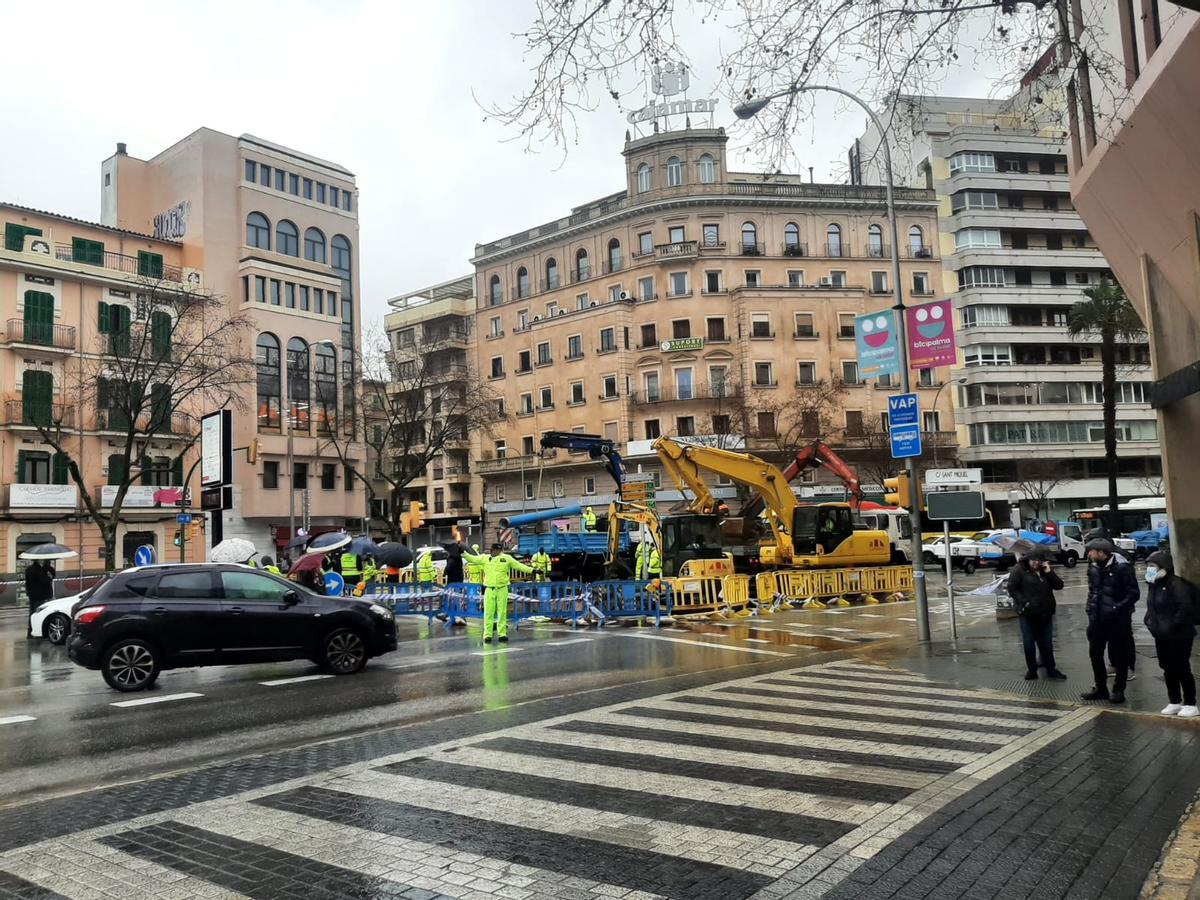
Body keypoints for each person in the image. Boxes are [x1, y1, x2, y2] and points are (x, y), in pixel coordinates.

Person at [1082, 538, 1140, 703]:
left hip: (1117, 620)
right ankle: (1100, 688)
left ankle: (1118, 690)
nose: (1089, 554)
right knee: (1095, 654)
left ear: (1101, 553)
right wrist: (1090, 609)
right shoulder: (1093, 568)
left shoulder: (1123, 568)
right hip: (1096, 618)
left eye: (1091, 551)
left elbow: (1133, 594)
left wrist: (1116, 608)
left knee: (1120, 656)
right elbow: (1092, 591)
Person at [1143, 550, 1199, 717]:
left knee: (1182, 667)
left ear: (1163, 566)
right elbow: (1152, 607)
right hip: (1161, 634)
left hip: (1180, 634)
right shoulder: (1153, 584)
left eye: (1152, 566)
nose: (1149, 569)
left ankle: (1190, 703)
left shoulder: (1177, 584)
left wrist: (1173, 625)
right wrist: (1150, 622)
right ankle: (1174, 701)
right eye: (1148, 566)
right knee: (1167, 668)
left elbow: (1185, 607)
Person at [1007, 547, 1067, 681]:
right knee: (1029, 643)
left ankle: (1051, 669)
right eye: (1033, 560)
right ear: (1028, 559)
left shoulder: (1044, 571)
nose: (1036, 563)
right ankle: (1032, 670)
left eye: (1039, 561)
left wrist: (1049, 572)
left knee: (1046, 642)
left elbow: (1059, 585)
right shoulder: (1019, 570)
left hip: (1045, 612)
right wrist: (1024, 602)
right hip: (1028, 613)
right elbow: (1012, 588)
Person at [462, 543, 534, 644]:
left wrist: (532, 570)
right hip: (489, 589)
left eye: (495, 550)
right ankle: (487, 635)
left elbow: (519, 566)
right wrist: (463, 553)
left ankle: (502, 634)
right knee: (488, 612)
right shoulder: (485, 558)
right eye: (492, 550)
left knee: (502, 612)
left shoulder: (506, 559)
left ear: (499, 551)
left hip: (502, 588)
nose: (493, 552)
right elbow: (472, 559)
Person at [24, 560, 55, 638]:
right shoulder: (39, 570)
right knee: (40, 614)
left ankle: (31, 631)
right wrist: (49, 577)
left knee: (33, 613)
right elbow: (45, 580)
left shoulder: (30, 569)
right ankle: (38, 632)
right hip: (42, 596)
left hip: (34, 595)